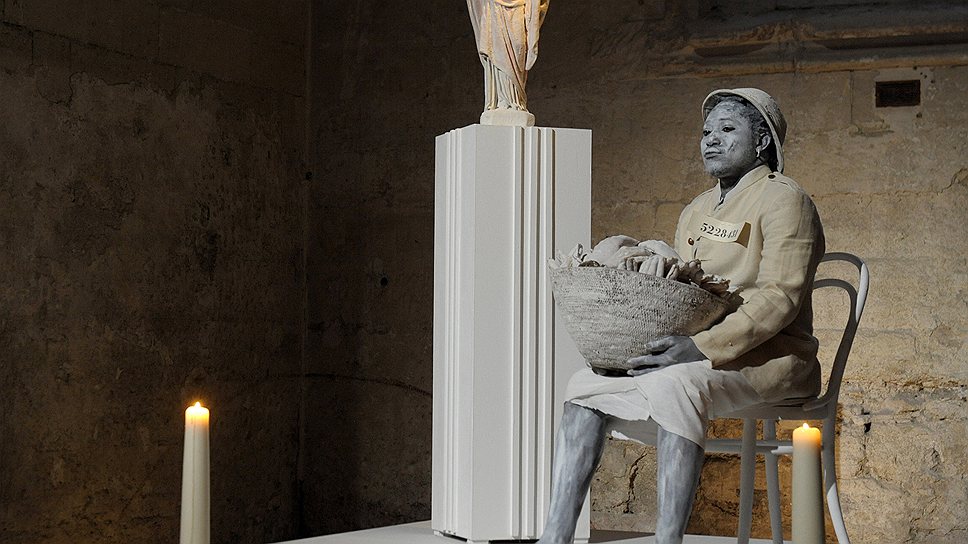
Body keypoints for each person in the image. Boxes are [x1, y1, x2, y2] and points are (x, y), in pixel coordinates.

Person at [536, 88, 825, 544]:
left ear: (761, 141)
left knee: (676, 384)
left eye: (727, 129)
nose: (711, 140)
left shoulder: (785, 200)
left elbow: (780, 298)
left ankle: (667, 540)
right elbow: (684, 291)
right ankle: (554, 537)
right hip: (693, 353)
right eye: (707, 132)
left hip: (773, 357)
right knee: (584, 385)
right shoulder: (697, 209)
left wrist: (699, 347)